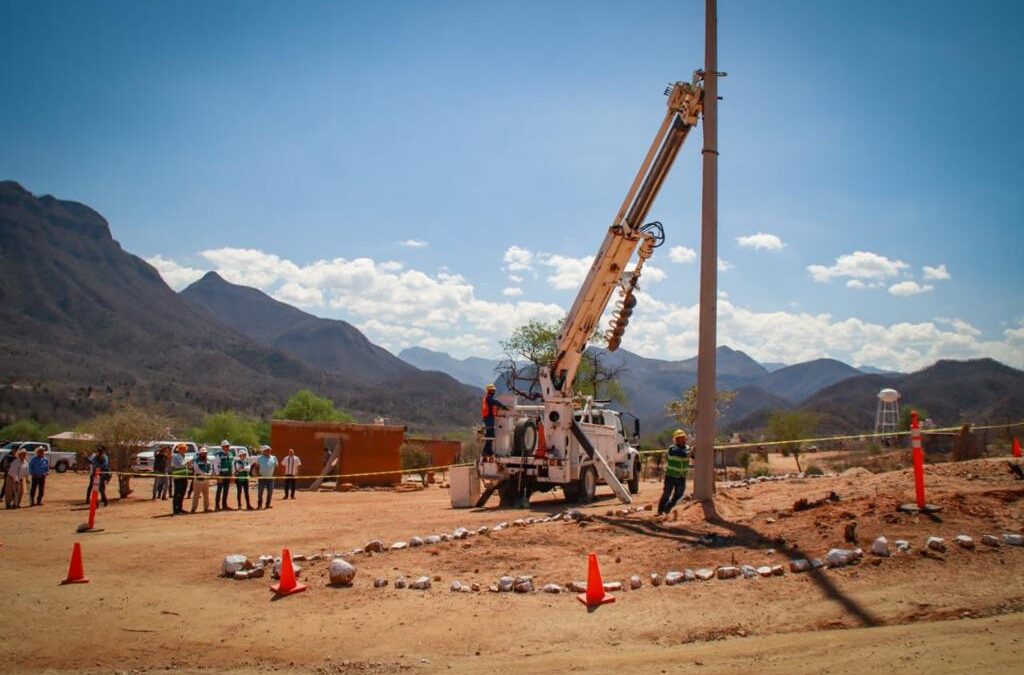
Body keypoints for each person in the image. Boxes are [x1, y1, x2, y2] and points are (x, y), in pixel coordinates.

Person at [657, 429, 691, 516]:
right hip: (671, 476)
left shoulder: (687, 448)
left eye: (683, 438)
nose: (682, 440)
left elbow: (693, 455)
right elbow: (682, 454)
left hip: (681, 477)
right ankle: (660, 510)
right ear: (676, 440)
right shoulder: (672, 449)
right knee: (667, 494)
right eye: (680, 438)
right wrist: (691, 452)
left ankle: (668, 508)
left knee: (679, 495)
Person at [480, 383, 509, 456]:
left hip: (489, 418)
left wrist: (501, 415)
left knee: (491, 435)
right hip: (488, 419)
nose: (493, 392)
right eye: (491, 390)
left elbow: (493, 411)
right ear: (488, 391)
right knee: (489, 435)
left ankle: (489, 451)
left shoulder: (488, 399)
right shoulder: (488, 398)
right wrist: (503, 407)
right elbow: (495, 402)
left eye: (493, 390)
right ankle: (486, 451)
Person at [190, 447, 215, 513]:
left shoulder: (209, 460)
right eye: (202, 453)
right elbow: (196, 469)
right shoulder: (196, 460)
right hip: (198, 480)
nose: (204, 454)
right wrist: (204, 474)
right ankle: (193, 508)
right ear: (200, 454)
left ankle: (206, 508)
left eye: (205, 453)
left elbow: (211, 469)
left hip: (206, 480)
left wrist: (209, 474)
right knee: (196, 495)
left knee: (206, 495)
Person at [213, 440, 235, 511]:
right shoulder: (218, 454)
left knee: (226, 490)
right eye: (226, 446)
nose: (227, 447)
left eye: (228, 446)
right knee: (219, 490)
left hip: (228, 474)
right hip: (221, 474)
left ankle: (224, 505)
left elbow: (232, 465)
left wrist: (232, 474)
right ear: (222, 447)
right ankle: (217, 506)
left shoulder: (231, 454)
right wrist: (218, 475)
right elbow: (215, 465)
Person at [170, 444, 189, 515]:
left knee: (182, 493)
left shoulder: (184, 456)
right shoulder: (175, 456)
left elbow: (185, 465)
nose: (185, 450)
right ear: (180, 449)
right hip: (178, 477)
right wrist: (187, 461)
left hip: (184, 477)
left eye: (185, 449)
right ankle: (175, 510)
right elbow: (180, 464)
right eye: (183, 449)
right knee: (177, 494)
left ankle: (180, 508)